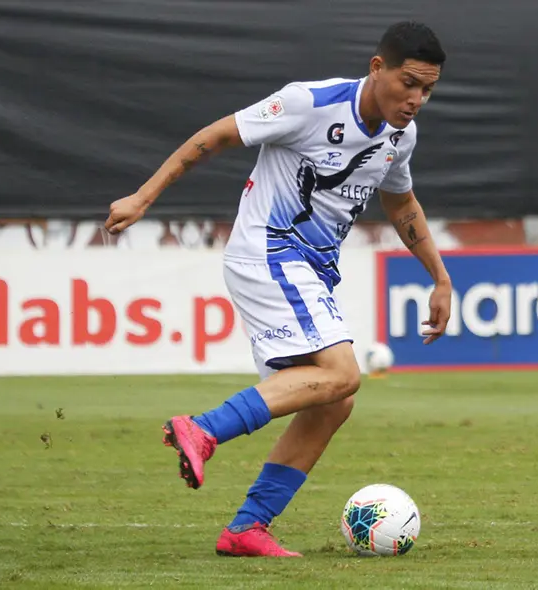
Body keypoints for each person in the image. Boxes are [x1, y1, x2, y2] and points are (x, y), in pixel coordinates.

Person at [104, 21, 453, 558]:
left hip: (312, 267)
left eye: (427, 89)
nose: (416, 100)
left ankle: (247, 528)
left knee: (334, 401)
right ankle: (202, 429)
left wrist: (440, 276)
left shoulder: (400, 135)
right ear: (377, 67)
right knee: (342, 373)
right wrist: (143, 198)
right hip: (270, 250)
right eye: (408, 83)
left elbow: (400, 202)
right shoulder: (308, 103)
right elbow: (214, 136)